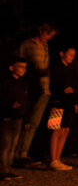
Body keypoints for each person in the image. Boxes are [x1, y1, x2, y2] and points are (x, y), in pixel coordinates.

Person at [15, 23, 57, 165]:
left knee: (34, 123)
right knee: (24, 121)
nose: (49, 38)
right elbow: (18, 62)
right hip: (30, 87)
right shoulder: (27, 44)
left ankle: (24, 152)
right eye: (48, 35)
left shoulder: (45, 46)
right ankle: (14, 153)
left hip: (44, 88)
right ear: (41, 32)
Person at [48, 47, 78, 171]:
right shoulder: (56, 68)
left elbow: (73, 86)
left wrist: (76, 102)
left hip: (69, 103)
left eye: (74, 55)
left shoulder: (70, 69)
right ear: (62, 53)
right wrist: (63, 89)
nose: (72, 57)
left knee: (65, 130)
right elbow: (54, 85)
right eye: (70, 54)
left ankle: (58, 158)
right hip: (58, 101)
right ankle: (52, 159)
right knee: (56, 129)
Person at [1, 58, 30, 180]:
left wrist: (26, 119)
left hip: (18, 117)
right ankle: (2, 170)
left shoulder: (22, 82)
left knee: (13, 145)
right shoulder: (6, 82)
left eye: (24, 67)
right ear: (11, 67)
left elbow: (25, 100)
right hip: (7, 117)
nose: (23, 69)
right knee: (5, 145)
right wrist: (9, 107)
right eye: (20, 67)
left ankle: (8, 169)